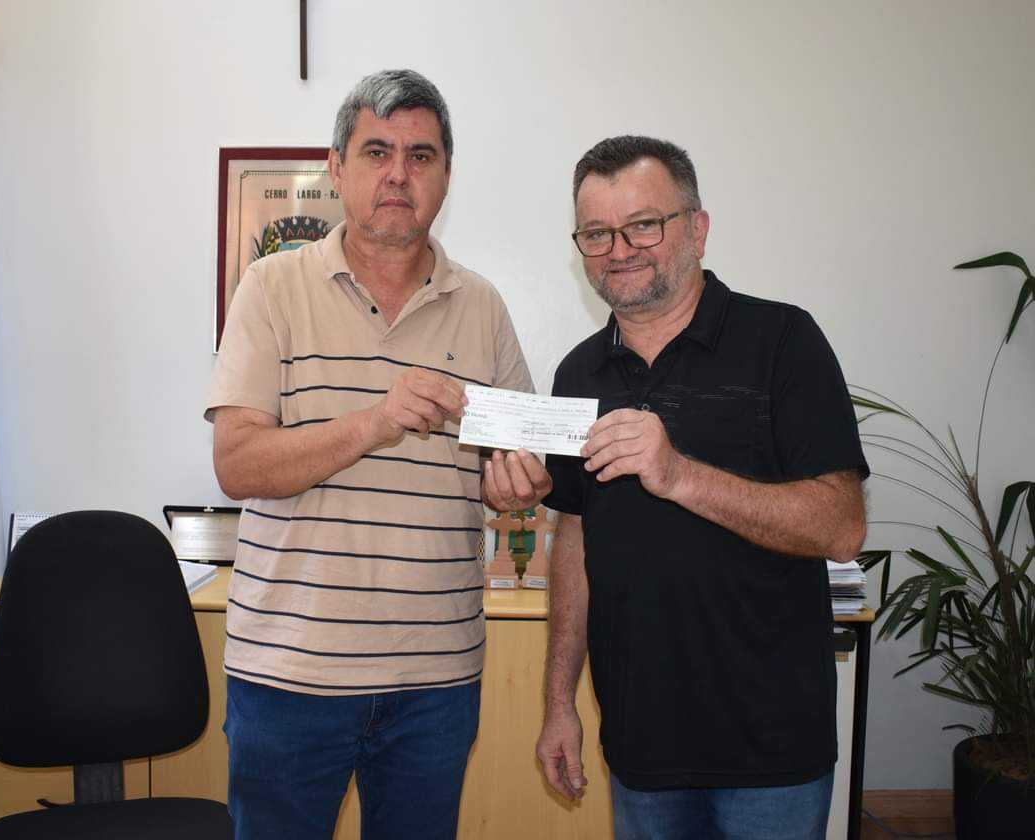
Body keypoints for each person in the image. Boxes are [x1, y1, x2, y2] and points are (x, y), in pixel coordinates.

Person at [206, 69, 549, 840]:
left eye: (421, 156)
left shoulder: (483, 305)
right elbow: (237, 464)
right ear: (336, 168)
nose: (399, 174)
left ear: (446, 176)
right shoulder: (270, 286)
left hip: (436, 681)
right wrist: (375, 423)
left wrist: (514, 484)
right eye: (376, 152)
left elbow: (513, 463)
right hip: (289, 676)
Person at [536, 135, 868, 840]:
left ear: (697, 229)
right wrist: (559, 702)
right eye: (597, 233)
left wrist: (680, 475)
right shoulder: (577, 375)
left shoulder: (784, 342)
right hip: (639, 745)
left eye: (643, 225)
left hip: (772, 751)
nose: (619, 249)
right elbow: (575, 539)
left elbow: (842, 526)